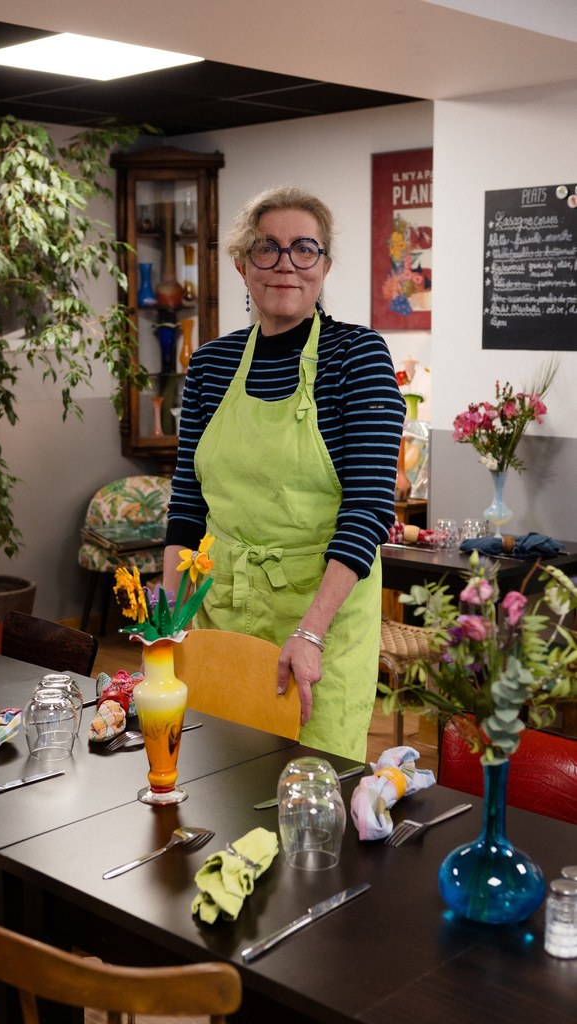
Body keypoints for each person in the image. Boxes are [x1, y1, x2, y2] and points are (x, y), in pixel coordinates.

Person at [163, 185, 405, 760]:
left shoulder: (358, 356)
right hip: (219, 611)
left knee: (307, 791)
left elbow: (368, 508)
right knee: (216, 779)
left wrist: (311, 630)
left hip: (320, 614)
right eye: (267, 248)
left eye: (305, 249)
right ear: (242, 263)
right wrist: (170, 613)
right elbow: (187, 504)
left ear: (323, 265)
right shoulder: (211, 363)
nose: (286, 265)